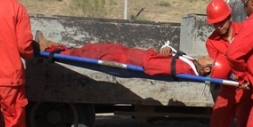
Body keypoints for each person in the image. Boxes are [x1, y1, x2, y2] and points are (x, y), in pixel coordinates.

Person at [202, 0, 252, 127]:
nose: (219, 27)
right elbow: (218, 67)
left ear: (229, 17)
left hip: (246, 85)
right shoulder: (212, 42)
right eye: (214, 24)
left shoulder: (245, 31)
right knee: (218, 119)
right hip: (229, 85)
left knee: (244, 124)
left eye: (221, 22)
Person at [35, 34, 222, 78]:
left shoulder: (181, 68)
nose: (206, 56)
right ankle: (53, 46)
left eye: (209, 59)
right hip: (128, 53)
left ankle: (49, 49)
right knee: (90, 48)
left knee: (87, 54)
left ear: (206, 69)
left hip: (128, 59)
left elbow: (149, 64)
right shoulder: (188, 64)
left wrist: (153, 50)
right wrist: (168, 51)